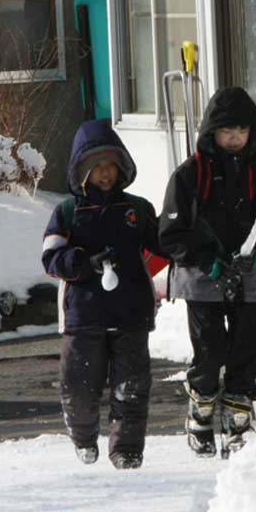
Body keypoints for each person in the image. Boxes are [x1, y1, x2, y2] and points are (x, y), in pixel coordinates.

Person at [159, 87, 256, 458]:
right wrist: (209, 261)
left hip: (252, 280)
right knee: (209, 353)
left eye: (241, 132)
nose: (234, 140)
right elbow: (170, 234)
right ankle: (200, 412)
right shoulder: (190, 176)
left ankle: (237, 422)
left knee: (246, 354)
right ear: (211, 133)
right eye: (226, 132)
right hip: (204, 280)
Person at [41, 119, 165, 470]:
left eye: (111, 165)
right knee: (79, 386)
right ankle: (83, 437)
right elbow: (51, 259)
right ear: (82, 170)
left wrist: (145, 269)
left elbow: (162, 247)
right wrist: (81, 262)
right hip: (83, 316)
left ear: (122, 166)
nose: (105, 174)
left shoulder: (137, 210)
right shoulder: (67, 212)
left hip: (131, 314)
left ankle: (127, 449)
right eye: (96, 167)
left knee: (132, 387)